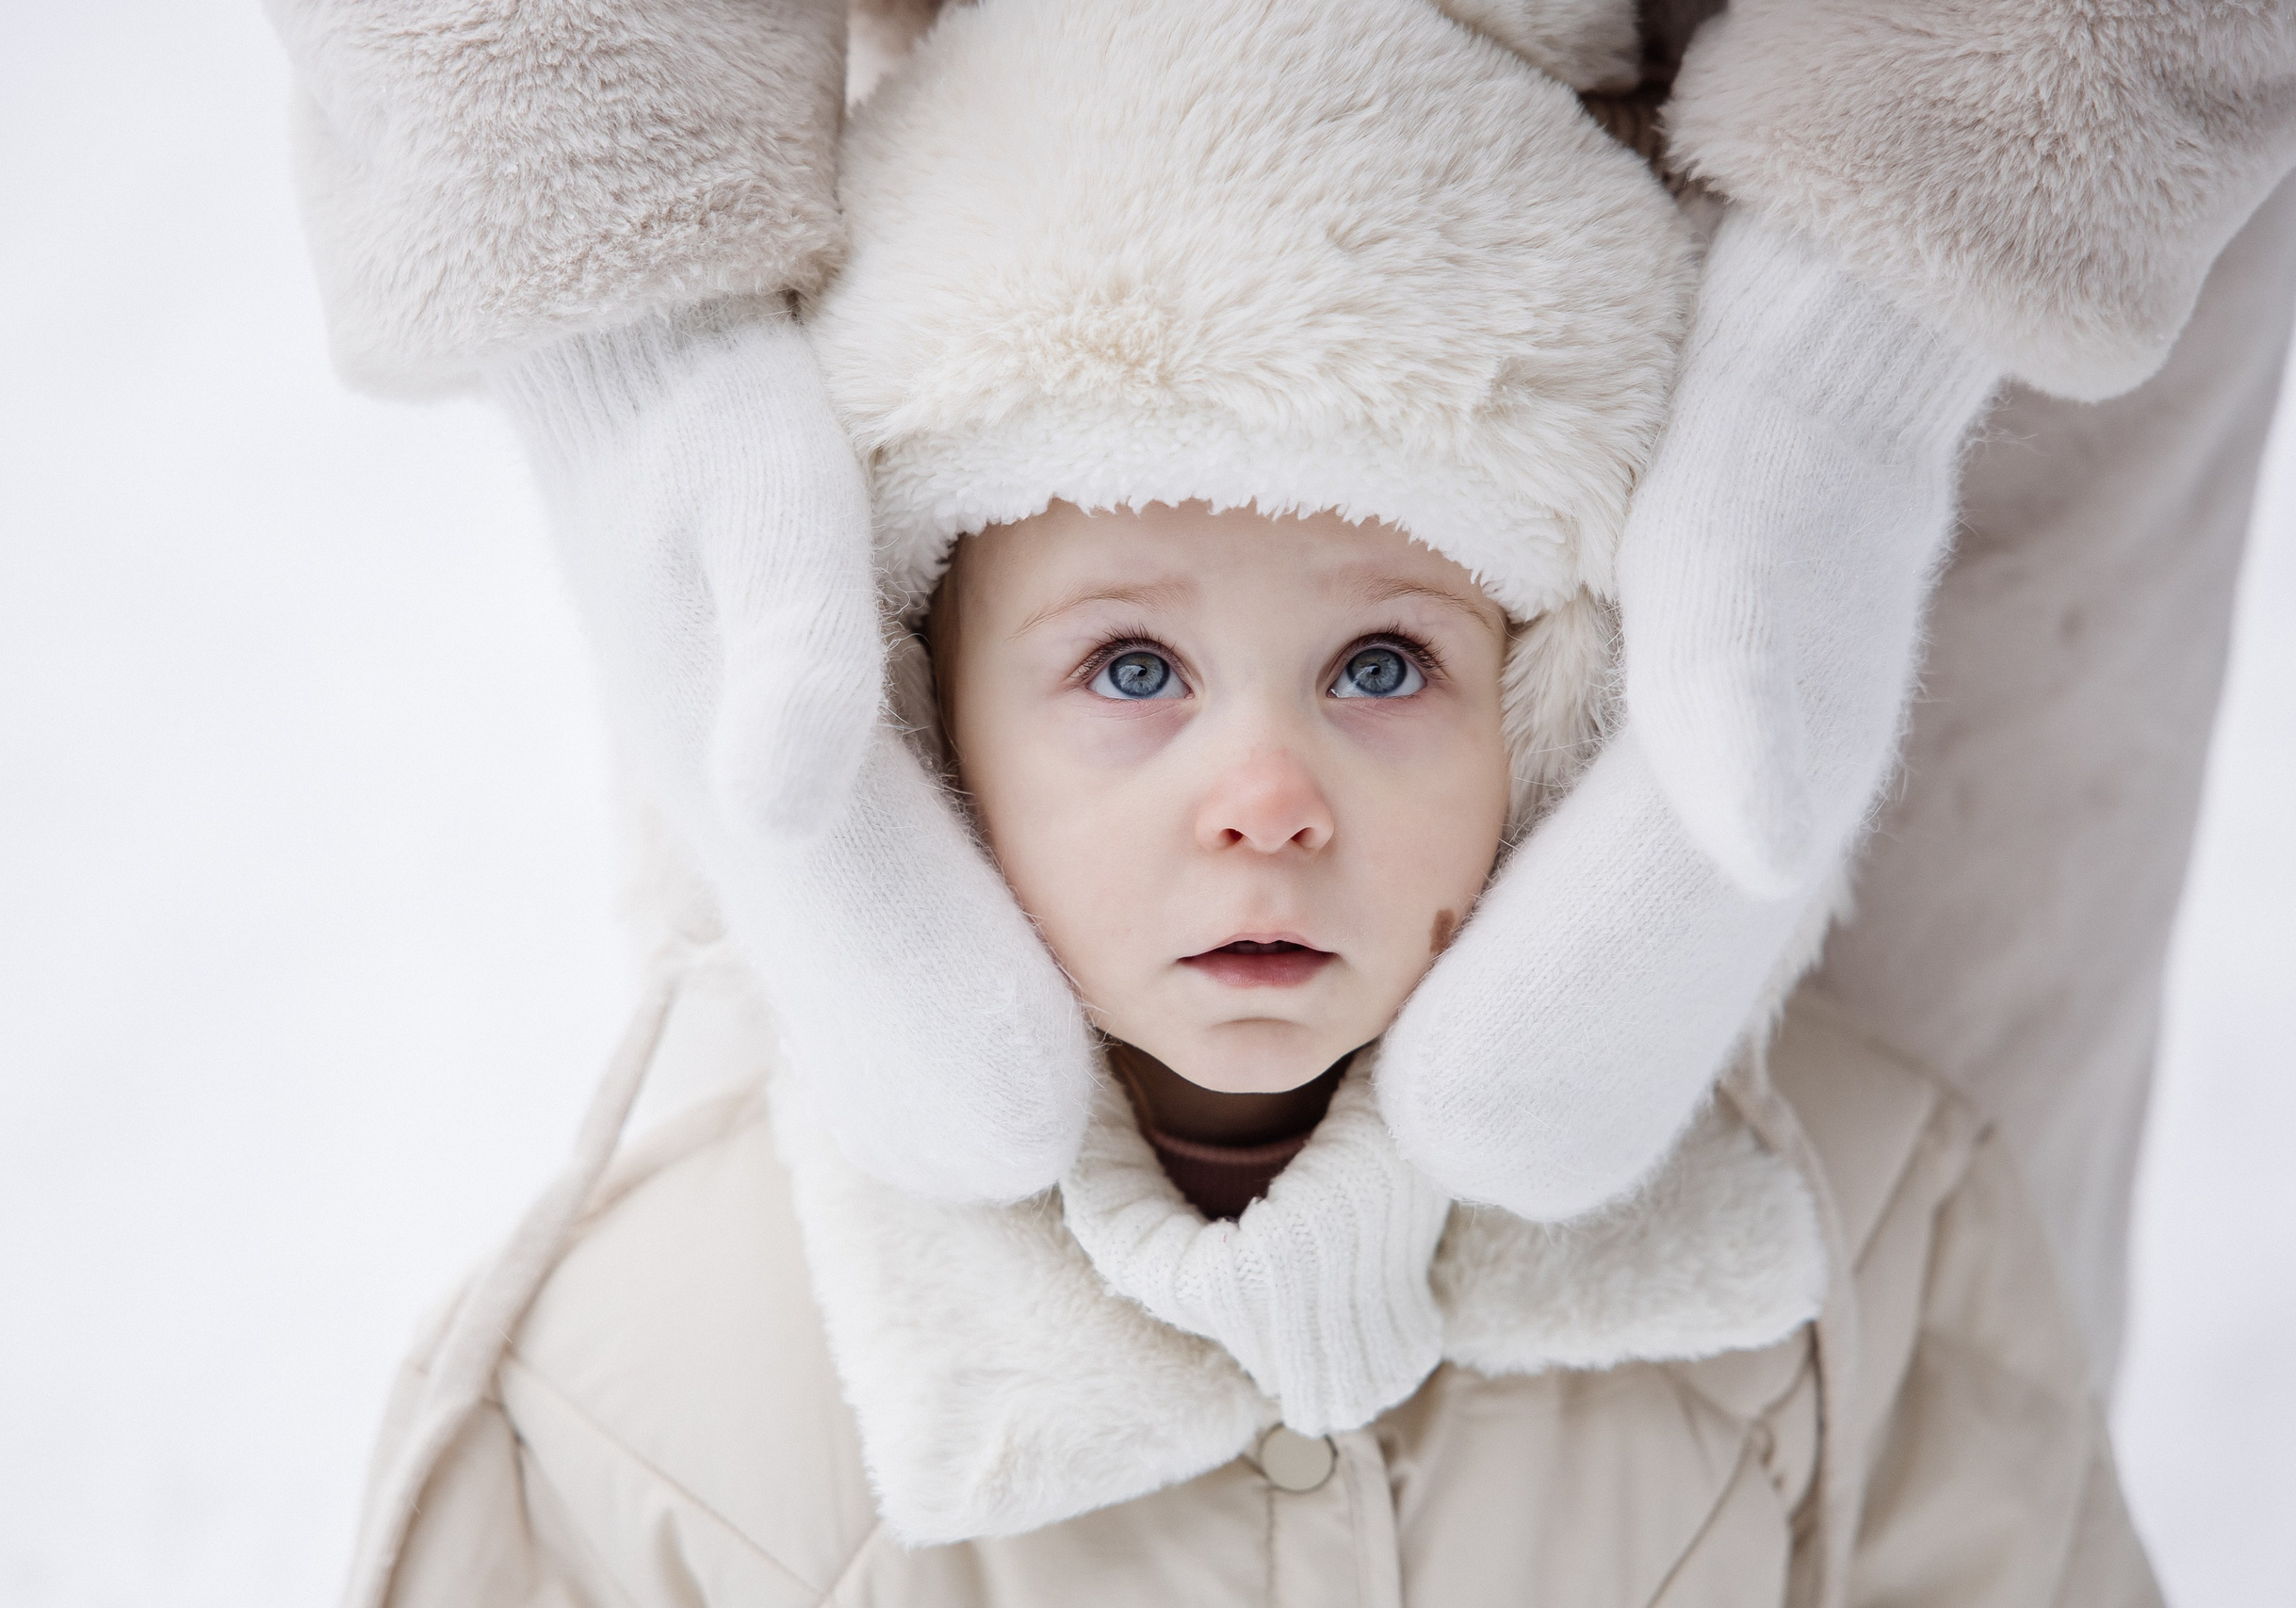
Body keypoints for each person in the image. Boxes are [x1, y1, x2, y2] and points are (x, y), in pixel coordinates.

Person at [336, 2, 2163, 1601]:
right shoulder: (661, 1365)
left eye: (1382, 665)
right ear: (920, 714)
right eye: (1130, 669)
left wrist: (1854, 366)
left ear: (1557, 702)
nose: (1269, 795)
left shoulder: (1854, 1241)